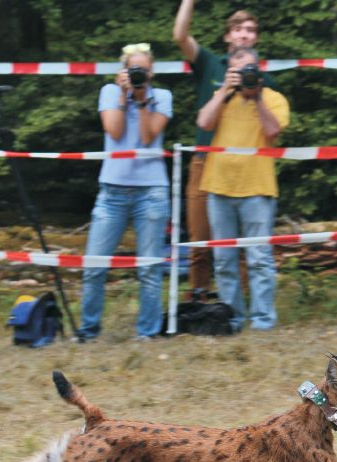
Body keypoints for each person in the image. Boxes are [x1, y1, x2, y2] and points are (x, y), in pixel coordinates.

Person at [76, 44, 172, 341]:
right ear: (123, 72)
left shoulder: (163, 97)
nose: (138, 75)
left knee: (149, 268)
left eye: (143, 70)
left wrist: (142, 101)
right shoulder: (109, 92)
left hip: (151, 191)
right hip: (112, 190)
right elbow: (114, 132)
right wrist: (123, 95)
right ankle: (89, 330)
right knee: (94, 264)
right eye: (133, 69)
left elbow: (146, 137)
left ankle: (147, 332)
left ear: (151, 71)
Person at [174, 2, 266, 296]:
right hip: (205, 160)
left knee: (240, 243)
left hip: (244, 165)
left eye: (250, 30)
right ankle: (199, 301)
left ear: (256, 39)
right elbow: (180, 36)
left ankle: (236, 305)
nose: (244, 35)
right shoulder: (212, 64)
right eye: (238, 29)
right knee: (200, 239)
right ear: (228, 36)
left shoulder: (262, 77)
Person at [197, 47, 289, 331]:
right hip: (219, 186)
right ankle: (232, 319)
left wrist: (258, 96)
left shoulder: (273, 98)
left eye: (250, 69)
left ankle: (262, 321)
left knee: (259, 258)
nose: (246, 75)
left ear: (260, 71)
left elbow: (273, 132)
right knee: (224, 261)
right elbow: (203, 122)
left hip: (257, 188)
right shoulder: (221, 97)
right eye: (239, 70)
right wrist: (225, 88)